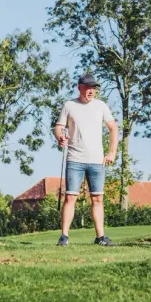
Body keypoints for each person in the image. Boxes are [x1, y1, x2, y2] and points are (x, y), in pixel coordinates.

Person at [53, 74, 119, 247]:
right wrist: (60, 137)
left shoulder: (101, 106)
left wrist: (112, 152)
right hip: (75, 159)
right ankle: (64, 237)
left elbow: (113, 128)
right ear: (79, 88)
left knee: (97, 199)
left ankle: (101, 237)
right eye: (88, 87)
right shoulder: (69, 105)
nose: (91, 91)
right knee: (70, 197)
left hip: (97, 161)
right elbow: (58, 127)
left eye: (94, 88)